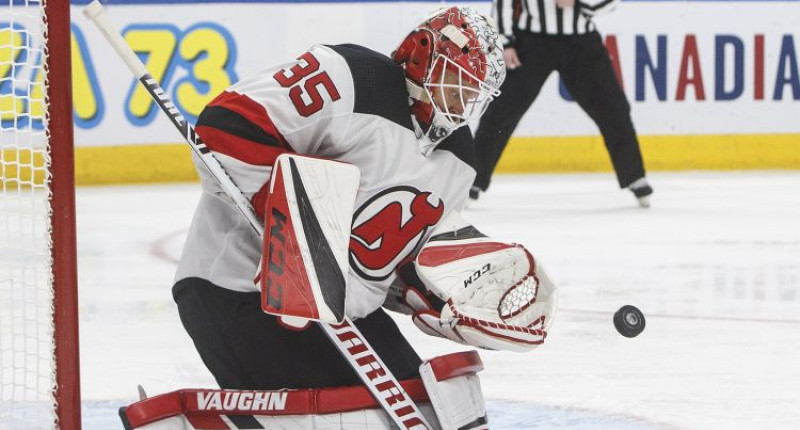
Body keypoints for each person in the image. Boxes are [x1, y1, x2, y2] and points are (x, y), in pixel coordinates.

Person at [171, 6, 555, 394]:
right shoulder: (353, 78)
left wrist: (432, 299)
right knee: (352, 423)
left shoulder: (459, 161)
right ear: (422, 52)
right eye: (459, 80)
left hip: (340, 316)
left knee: (423, 405)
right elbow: (224, 128)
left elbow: (381, 270)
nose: (463, 101)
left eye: (475, 91)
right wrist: (300, 222)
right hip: (236, 291)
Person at [470, 0, 654, 207]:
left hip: (581, 42)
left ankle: (634, 176)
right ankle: (471, 181)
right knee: (501, 112)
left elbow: (608, 4)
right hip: (530, 41)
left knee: (613, 108)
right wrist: (506, 41)